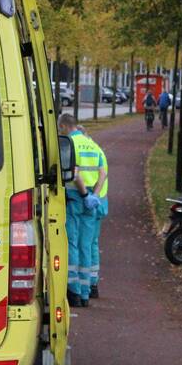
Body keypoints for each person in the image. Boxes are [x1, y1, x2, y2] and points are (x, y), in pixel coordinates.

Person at [58, 113, 108, 307]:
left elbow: (75, 173)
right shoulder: (93, 145)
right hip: (91, 202)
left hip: (75, 198)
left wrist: (84, 195)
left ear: (64, 126)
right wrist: (94, 195)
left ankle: (74, 291)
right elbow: (102, 173)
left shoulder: (70, 145)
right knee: (86, 245)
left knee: (72, 244)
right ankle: (86, 293)